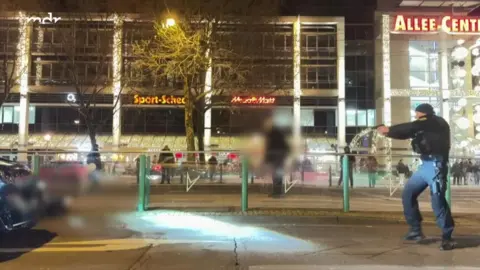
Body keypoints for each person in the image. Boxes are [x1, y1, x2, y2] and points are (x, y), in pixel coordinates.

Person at [377, 103, 455, 251]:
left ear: (422, 113)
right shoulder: (424, 126)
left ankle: (447, 237)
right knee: (408, 194)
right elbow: (407, 132)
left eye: (416, 113)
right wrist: (388, 133)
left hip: (435, 166)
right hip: (425, 165)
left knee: (437, 199)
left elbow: (410, 127)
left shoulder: (434, 122)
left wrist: (389, 129)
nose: (415, 116)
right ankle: (415, 230)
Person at [263, 115, 290, 198]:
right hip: (278, 158)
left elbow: (269, 147)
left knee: (277, 176)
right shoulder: (277, 135)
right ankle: (277, 192)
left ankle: (277, 193)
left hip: (277, 158)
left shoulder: (275, 135)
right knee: (276, 176)